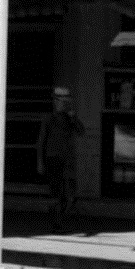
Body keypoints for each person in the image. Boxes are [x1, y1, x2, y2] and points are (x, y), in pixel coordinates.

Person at [38, 86, 85, 232]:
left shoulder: (69, 119)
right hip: (53, 159)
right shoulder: (49, 119)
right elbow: (41, 142)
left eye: (65, 101)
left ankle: (62, 218)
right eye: (59, 101)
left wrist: (72, 116)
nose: (61, 104)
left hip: (67, 159)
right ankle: (56, 222)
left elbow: (81, 131)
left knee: (68, 192)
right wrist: (40, 162)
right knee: (55, 192)